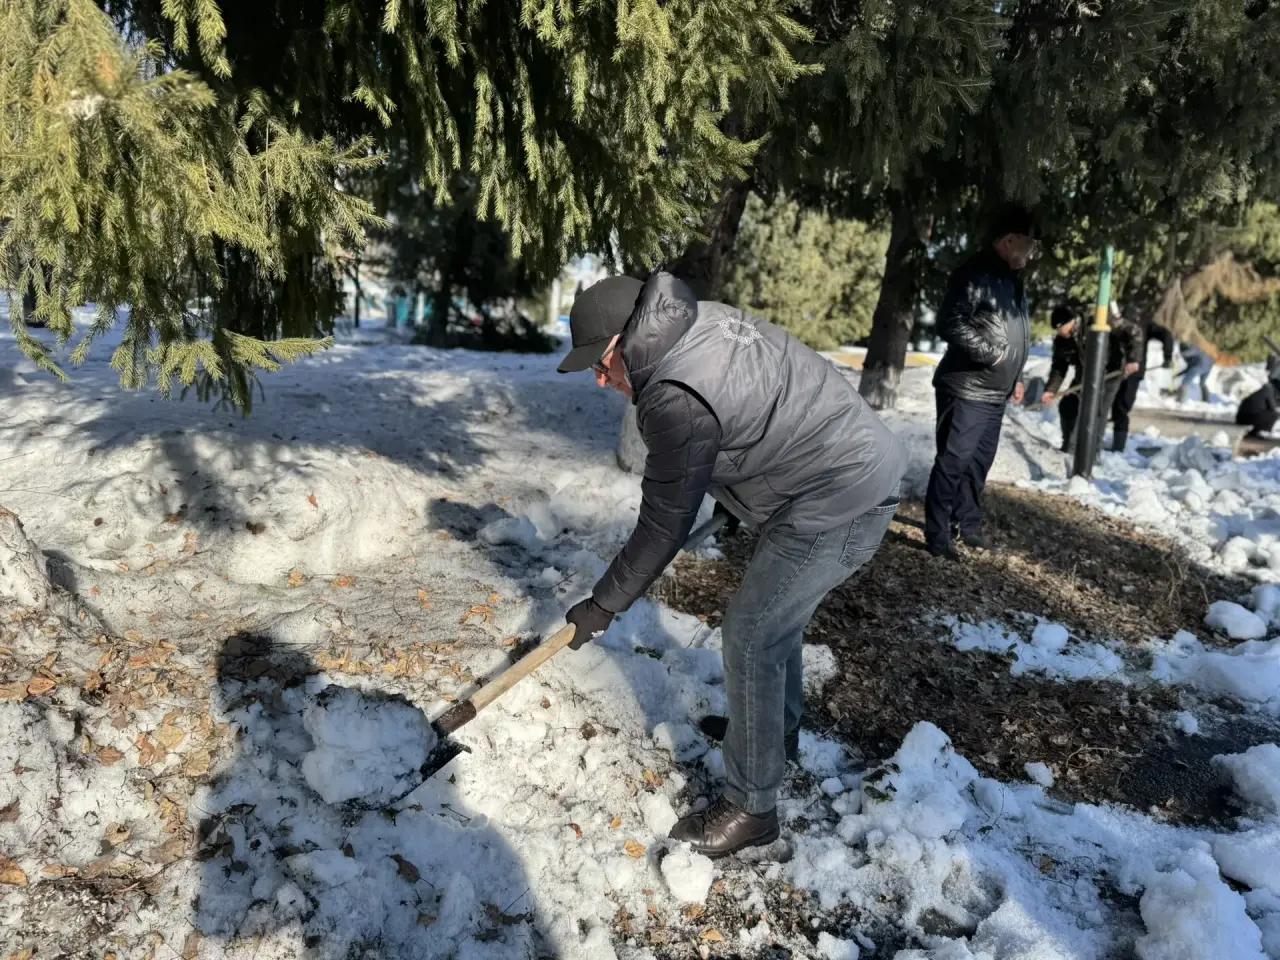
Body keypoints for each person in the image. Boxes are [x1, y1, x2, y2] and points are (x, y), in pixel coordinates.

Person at [556, 271, 907, 858]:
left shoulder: (673, 395)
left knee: (752, 632)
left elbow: (663, 524)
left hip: (843, 494)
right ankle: (771, 736)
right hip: (840, 470)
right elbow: (757, 404)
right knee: (773, 621)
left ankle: (751, 808)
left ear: (627, 342)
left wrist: (603, 605)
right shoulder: (691, 320)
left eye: (602, 362)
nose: (600, 379)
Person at [925, 204, 1037, 560]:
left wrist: (1015, 375)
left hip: (996, 392)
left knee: (978, 464)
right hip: (967, 388)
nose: (1033, 253)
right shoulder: (974, 273)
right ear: (1008, 241)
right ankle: (938, 534)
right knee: (953, 461)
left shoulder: (1012, 280)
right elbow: (950, 322)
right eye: (1029, 244)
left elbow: (1016, 334)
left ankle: (968, 526)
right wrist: (992, 356)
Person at [1042, 301, 1142, 454]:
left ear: (1071, 321)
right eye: (1058, 330)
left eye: (1062, 328)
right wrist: (1050, 389)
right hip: (1085, 375)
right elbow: (1059, 366)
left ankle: (1091, 454)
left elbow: (1134, 332)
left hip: (1109, 373)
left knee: (1096, 411)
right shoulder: (1063, 340)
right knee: (1068, 405)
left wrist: (1133, 359)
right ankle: (1069, 446)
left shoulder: (1097, 322)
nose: (1061, 333)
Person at [1110, 315, 1174, 452]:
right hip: (1113, 370)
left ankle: (1117, 448)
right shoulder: (1113, 319)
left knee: (1120, 407)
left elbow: (1166, 335)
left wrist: (1168, 355)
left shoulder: (1143, 323)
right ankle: (1101, 444)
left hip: (1133, 371)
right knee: (1112, 407)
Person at [1236, 370, 1280, 437]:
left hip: (1241, 416)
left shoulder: (1263, 389)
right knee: (1275, 414)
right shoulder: (1268, 390)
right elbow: (1272, 407)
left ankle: (1254, 431)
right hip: (1247, 417)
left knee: (1266, 413)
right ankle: (1259, 431)